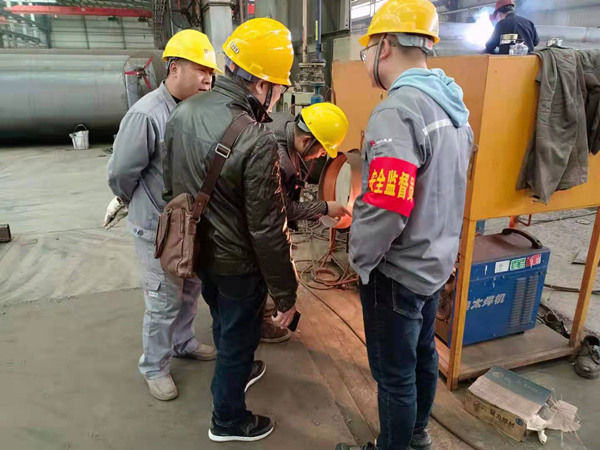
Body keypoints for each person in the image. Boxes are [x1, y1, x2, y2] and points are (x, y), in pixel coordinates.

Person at [337, 1, 473, 449]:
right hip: (435, 263)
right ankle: (417, 436)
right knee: (423, 356)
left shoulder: (397, 111)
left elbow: (387, 206)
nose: (366, 61)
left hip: (397, 273)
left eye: (368, 50)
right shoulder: (452, 107)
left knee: (394, 377)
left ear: (386, 46)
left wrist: (360, 257)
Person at [162, 18, 298, 443]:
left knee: (222, 317)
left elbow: (171, 189)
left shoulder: (181, 111)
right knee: (239, 336)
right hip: (238, 265)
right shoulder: (256, 139)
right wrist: (286, 292)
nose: (279, 96)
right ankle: (228, 420)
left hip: (197, 251)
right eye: (279, 88)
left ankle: (233, 366)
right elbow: (267, 230)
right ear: (262, 84)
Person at [107, 29, 221, 401]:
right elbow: (122, 173)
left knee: (189, 289)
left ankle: (183, 342)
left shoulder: (197, 113)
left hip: (189, 225)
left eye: (211, 72)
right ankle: (154, 366)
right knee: (163, 299)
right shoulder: (147, 115)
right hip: (157, 228)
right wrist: (138, 204)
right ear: (173, 68)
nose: (208, 79)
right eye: (200, 69)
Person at [260, 102, 351, 343]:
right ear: (307, 140)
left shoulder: (284, 122)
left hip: (251, 214)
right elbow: (283, 209)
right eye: (321, 151)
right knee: (268, 273)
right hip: (250, 224)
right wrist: (324, 207)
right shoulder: (277, 157)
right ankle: (254, 327)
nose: (321, 156)